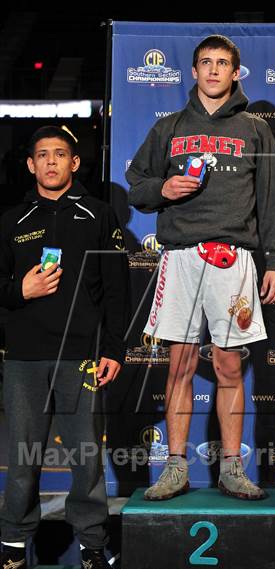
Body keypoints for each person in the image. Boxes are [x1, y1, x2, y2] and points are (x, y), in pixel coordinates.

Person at [127, 35, 275, 500]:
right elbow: (137, 183)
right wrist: (164, 188)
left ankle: (232, 467)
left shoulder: (255, 130)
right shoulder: (170, 127)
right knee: (178, 366)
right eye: (206, 62)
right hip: (180, 257)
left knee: (229, 368)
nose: (214, 70)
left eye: (223, 63)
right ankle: (176, 466)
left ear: (236, 72)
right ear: (194, 71)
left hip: (235, 259)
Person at [0, 126, 129, 568]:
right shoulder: (10, 220)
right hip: (24, 359)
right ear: (31, 164)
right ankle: (14, 548)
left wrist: (114, 350)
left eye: (60, 154)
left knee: (86, 461)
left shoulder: (99, 215)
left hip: (83, 358)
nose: (51, 162)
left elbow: (117, 291)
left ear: (75, 163)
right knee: (22, 461)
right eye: (42, 155)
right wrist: (22, 289)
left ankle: (93, 548)